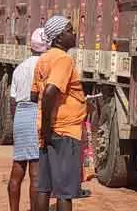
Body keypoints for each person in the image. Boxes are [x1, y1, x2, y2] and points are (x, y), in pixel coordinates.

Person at [32, 16, 86, 211]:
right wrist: (49, 128)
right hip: (64, 132)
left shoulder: (43, 59)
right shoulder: (63, 59)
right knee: (65, 192)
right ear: (59, 36)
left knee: (44, 188)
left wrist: (45, 129)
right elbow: (49, 92)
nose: (74, 34)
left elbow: (34, 95)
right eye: (70, 30)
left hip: (48, 131)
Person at [8, 28, 48, 211]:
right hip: (35, 113)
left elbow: (12, 100)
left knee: (18, 167)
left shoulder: (19, 68)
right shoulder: (45, 65)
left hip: (20, 115)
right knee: (35, 172)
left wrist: (16, 122)